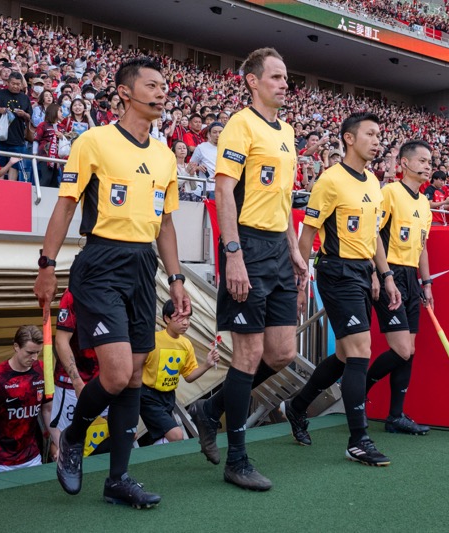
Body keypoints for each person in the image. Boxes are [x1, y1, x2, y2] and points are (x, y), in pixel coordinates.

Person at [34, 57, 190, 509]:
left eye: (165, 85)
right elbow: (64, 206)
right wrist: (46, 265)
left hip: (144, 266)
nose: (162, 92)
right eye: (152, 85)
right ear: (125, 92)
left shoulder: (164, 154)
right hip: (100, 261)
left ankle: (118, 479)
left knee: (136, 374)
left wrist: (176, 278)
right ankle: (74, 435)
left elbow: (165, 224)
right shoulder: (93, 141)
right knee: (118, 372)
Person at [189, 47, 307, 491]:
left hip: (278, 246)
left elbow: (279, 199)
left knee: (281, 353)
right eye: (275, 76)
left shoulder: (288, 131)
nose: (283, 83)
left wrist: (294, 248)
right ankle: (236, 459)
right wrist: (232, 253)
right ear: (252, 82)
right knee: (248, 354)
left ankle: (210, 407)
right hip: (248, 246)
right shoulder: (241, 124)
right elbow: (224, 193)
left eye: (285, 77)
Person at [284, 112, 401, 466]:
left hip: (364, 274)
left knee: (345, 355)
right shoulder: (329, 181)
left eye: (379, 134)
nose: (378, 140)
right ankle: (358, 439)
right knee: (361, 350)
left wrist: (386, 275)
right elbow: (307, 236)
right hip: (336, 272)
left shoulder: (372, 183)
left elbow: (374, 239)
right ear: (349, 139)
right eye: (371, 133)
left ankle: (296, 406)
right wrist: (301, 283)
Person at [364, 140, 435, 436]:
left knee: (410, 351)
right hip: (389, 273)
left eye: (430, 161)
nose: (428, 165)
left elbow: (422, 248)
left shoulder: (425, 203)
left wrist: (427, 283)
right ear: (404, 163)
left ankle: (396, 417)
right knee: (402, 349)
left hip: (411, 279)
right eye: (421, 160)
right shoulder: (390, 192)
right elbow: (373, 233)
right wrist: (378, 274)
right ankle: (359, 385)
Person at [0, 325, 53, 474]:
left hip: (32, 459)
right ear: (16, 347)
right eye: (30, 352)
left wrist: (59, 444)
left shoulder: (42, 370)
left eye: (38, 352)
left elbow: (48, 410)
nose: (34, 358)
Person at [140, 300, 219, 444]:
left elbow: (189, 376)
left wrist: (207, 364)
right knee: (176, 436)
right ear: (167, 318)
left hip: (169, 396)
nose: (186, 323)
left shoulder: (186, 344)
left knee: (166, 437)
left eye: (188, 318)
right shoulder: (153, 339)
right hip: (148, 395)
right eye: (180, 318)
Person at [48, 288, 103, 450]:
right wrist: (77, 382)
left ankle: (115, 474)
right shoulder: (73, 293)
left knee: (113, 431)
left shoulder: (117, 285)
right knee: (66, 440)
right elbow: (61, 342)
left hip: (107, 380)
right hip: (74, 382)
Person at [0, 72, 32, 181]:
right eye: (13, 83)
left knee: (15, 167)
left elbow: (29, 116)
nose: (16, 86)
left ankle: (10, 188)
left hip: (17, 138)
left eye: (18, 84)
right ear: (7, 83)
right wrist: (0, 110)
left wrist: (24, 114)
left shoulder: (25, 98)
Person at [186, 121, 222, 200]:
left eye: (220, 132)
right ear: (209, 134)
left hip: (224, 189)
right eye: (214, 132)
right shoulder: (201, 147)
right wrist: (197, 168)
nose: (218, 135)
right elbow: (190, 167)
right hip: (208, 189)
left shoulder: (228, 148)